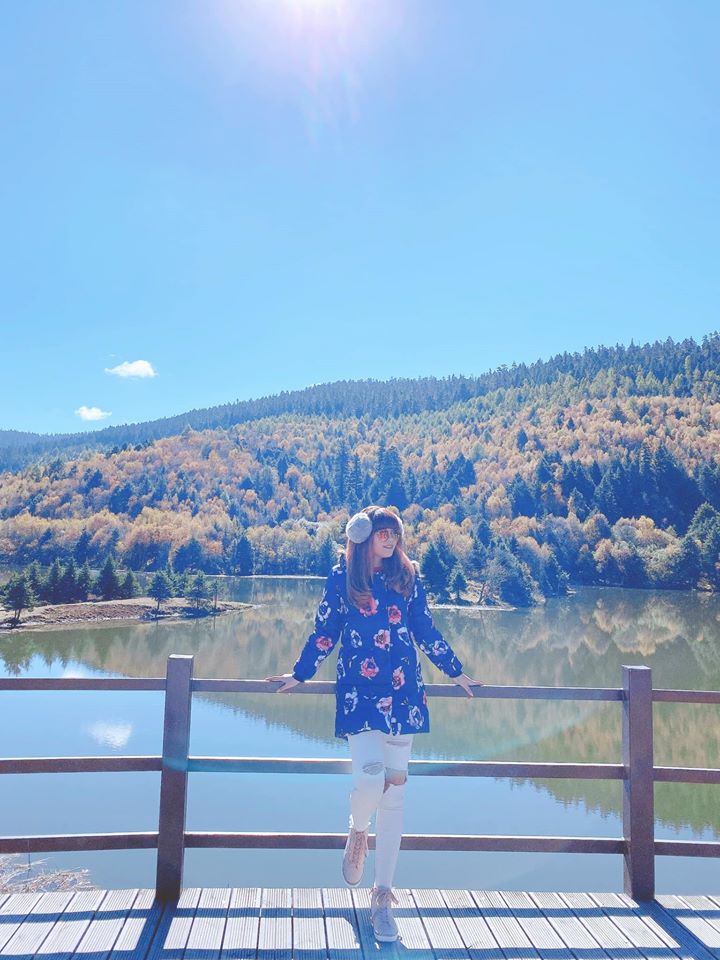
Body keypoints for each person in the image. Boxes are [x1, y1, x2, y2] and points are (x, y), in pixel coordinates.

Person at [266, 505, 480, 943]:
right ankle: (359, 829)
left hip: (404, 694)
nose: (390, 540)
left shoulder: (408, 575)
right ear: (361, 537)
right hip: (359, 694)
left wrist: (455, 671)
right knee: (369, 778)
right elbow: (325, 632)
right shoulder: (342, 578)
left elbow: (424, 629)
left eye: (394, 533)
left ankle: (382, 897)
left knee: (395, 796)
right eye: (382, 533)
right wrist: (300, 674)